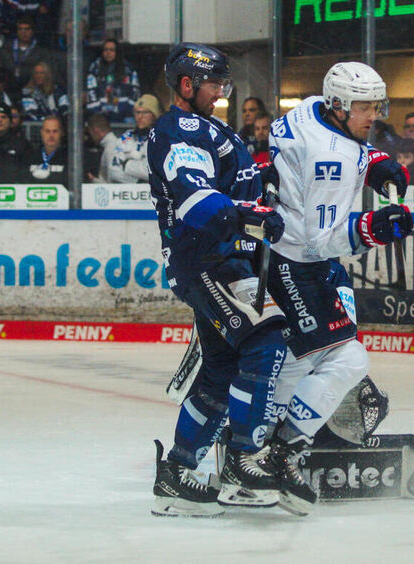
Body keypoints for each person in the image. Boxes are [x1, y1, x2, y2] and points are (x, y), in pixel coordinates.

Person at [264, 61, 413, 513]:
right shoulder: (332, 157)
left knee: (303, 356)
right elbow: (321, 238)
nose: (374, 115)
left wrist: (378, 164)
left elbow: (348, 145)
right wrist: (374, 226)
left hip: (283, 255)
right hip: (298, 262)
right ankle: (277, 451)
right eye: (365, 107)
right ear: (338, 105)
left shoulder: (310, 110)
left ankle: (258, 442)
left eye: (376, 105)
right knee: (342, 358)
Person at [147, 43, 287, 517]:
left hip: (219, 262)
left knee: (221, 371)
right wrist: (250, 212)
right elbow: (196, 200)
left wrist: (260, 179)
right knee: (266, 342)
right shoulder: (182, 127)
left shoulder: (208, 127)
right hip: (209, 262)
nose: (221, 92)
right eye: (215, 84)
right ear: (186, 85)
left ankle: (178, 473)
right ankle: (245, 460)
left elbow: (228, 182)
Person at [0, 17, 52, 102]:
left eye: (27, 29)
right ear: (17, 31)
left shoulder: (41, 51)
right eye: (20, 29)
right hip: (8, 90)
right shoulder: (6, 48)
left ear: (32, 31)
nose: (24, 33)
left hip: (32, 91)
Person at [85, 38, 141, 123]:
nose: (108, 53)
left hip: (126, 116)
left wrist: (129, 111)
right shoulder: (95, 69)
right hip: (101, 117)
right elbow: (91, 93)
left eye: (112, 50)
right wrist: (97, 112)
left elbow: (135, 92)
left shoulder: (128, 69)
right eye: (106, 50)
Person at [108, 94, 161, 183]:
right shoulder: (126, 137)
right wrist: (138, 181)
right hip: (128, 193)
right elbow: (112, 168)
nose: (140, 117)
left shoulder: (162, 138)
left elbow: (156, 172)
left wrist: (127, 164)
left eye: (145, 112)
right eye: (137, 112)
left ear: (154, 115)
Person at [0, 103, 32, 182]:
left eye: (3, 117)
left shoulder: (22, 145)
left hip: (15, 191)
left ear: (10, 121)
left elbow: (27, 173)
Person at [23, 114, 67, 184]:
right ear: (41, 133)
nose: (51, 135)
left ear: (61, 133)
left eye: (55, 131)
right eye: (47, 131)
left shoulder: (70, 158)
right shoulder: (29, 156)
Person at [85, 113, 117, 182]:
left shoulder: (111, 149)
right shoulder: (110, 146)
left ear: (95, 131)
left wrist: (92, 179)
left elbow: (113, 183)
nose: (90, 136)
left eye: (90, 132)